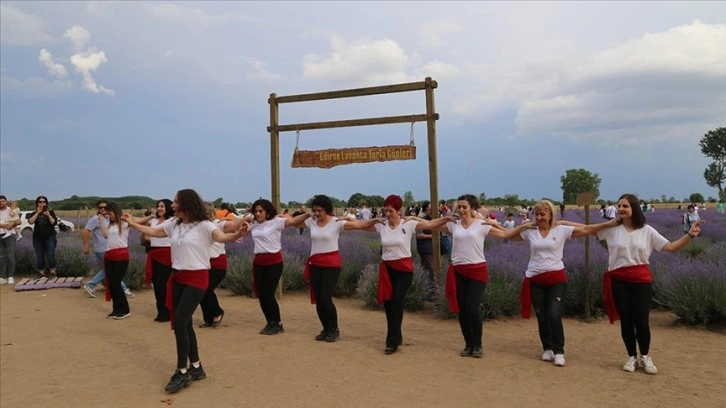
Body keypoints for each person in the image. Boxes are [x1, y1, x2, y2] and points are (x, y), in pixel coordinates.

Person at [123, 189, 248, 394]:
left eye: (175, 202)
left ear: (186, 204)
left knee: (180, 322)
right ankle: (196, 367)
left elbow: (222, 237)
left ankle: (182, 371)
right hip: (178, 278)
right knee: (186, 323)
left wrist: (239, 234)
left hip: (197, 279)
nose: (172, 206)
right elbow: (154, 232)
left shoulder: (205, 226)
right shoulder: (174, 224)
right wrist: (132, 223)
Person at [578, 193, 702, 375]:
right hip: (618, 281)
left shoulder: (647, 230)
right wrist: (557, 225)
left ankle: (645, 356)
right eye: (619, 206)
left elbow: (671, 247)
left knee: (641, 321)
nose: (621, 209)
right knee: (626, 322)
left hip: (641, 281)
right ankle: (631, 357)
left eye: (625, 206)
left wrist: (690, 235)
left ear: (634, 208)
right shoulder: (612, 229)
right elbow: (586, 229)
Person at [506, 200, 616, 367]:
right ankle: (547, 348)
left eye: (543, 214)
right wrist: (521, 227)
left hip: (556, 279)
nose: (539, 217)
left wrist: (611, 223)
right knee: (541, 316)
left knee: (553, 314)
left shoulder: (561, 230)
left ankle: (559, 351)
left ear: (551, 215)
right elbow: (506, 236)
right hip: (535, 278)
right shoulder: (530, 232)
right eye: (537, 214)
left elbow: (587, 229)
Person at [429, 194, 521, 358]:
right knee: (462, 310)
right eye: (460, 207)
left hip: (477, 270)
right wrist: (446, 218)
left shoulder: (481, 225)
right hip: (458, 270)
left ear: (472, 208)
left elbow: (506, 235)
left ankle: (477, 344)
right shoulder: (453, 225)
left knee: (472, 308)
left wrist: (495, 224)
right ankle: (468, 344)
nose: (462, 210)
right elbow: (431, 226)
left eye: (465, 207)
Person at [369, 195, 453, 354]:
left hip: (404, 270)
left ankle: (391, 342)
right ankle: (397, 335)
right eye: (385, 210)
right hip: (387, 269)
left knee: (395, 301)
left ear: (399, 210)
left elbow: (430, 224)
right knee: (390, 304)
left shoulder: (408, 224)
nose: (388, 214)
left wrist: (447, 218)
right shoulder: (382, 225)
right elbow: (360, 225)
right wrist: (346, 220)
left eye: (391, 210)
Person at [303, 194, 381, 343]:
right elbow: (293, 222)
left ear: (327, 209)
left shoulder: (336, 222)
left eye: (319, 210)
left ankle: (334, 329)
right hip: (315, 264)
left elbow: (360, 226)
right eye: (314, 210)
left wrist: (375, 220)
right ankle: (325, 328)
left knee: (325, 298)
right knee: (318, 300)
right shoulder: (312, 222)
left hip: (331, 264)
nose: (317, 213)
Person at [245, 199, 310, 335]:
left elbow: (293, 221)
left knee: (268, 294)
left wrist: (309, 213)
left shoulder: (276, 223)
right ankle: (270, 322)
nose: (258, 214)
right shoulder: (254, 225)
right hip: (259, 262)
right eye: (256, 211)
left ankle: (278, 323)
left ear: (267, 211)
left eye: (261, 211)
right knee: (261, 295)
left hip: (273, 262)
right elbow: (237, 228)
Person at [83, 200, 135, 299]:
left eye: (105, 208)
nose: (103, 209)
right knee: (111, 270)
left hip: (110, 249)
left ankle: (91, 285)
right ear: (97, 209)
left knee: (109, 270)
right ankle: (123, 290)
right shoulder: (96, 219)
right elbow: (85, 230)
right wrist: (86, 245)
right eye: (100, 207)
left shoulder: (109, 219)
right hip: (102, 249)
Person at [198, 203, 239, 329]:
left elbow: (233, 224)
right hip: (203, 262)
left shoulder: (217, 224)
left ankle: (217, 312)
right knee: (200, 291)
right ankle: (208, 319)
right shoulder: (197, 226)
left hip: (217, 262)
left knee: (206, 289)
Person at [144, 199, 175, 322]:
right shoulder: (154, 220)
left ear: (168, 207)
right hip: (154, 253)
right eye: (158, 206)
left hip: (166, 254)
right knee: (157, 284)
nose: (159, 208)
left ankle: (168, 312)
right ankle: (161, 312)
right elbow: (146, 233)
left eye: (162, 206)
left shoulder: (171, 221)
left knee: (164, 284)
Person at [101, 202, 132, 320]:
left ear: (116, 212)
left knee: (115, 282)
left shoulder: (124, 224)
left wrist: (150, 216)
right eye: (108, 214)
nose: (109, 215)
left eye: (111, 213)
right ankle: (116, 309)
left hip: (121, 256)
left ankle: (125, 309)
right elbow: (105, 235)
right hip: (109, 256)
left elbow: (138, 223)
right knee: (111, 283)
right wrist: (101, 222)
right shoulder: (110, 225)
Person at [25, 196, 58, 278]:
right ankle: (41, 273)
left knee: (50, 254)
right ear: (37, 203)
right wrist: (37, 213)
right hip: (37, 237)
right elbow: (30, 222)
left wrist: (48, 215)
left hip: (49, 236)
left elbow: (54, 223)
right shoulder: (34, 213)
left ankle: (53, 272)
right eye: (40, 202)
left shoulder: (51, 212)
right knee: (39, 255)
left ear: (46, 203)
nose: (42, 203)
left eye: (44, 202)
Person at [414, 201, 436, 300]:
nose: (431, 211)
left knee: (432, 270)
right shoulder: (422, 220)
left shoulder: (435, 220)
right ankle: (430, 292)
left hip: (434, 249)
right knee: (430, 269)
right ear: (426, 209)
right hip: (425, 249)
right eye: (430, 209)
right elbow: (419, 235)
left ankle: (432, 291)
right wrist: (432, 236)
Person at [0, 195, 21, 285]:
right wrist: (4, 225)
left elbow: (19, 221)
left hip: (10, 234)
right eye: (0, 201)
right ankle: (2, 277)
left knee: (10, 256)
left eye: (3, 201)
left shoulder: (11, 209)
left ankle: (10, 276)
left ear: (6, 201)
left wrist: (12, 224)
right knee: (1, 257)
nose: (1, 203)